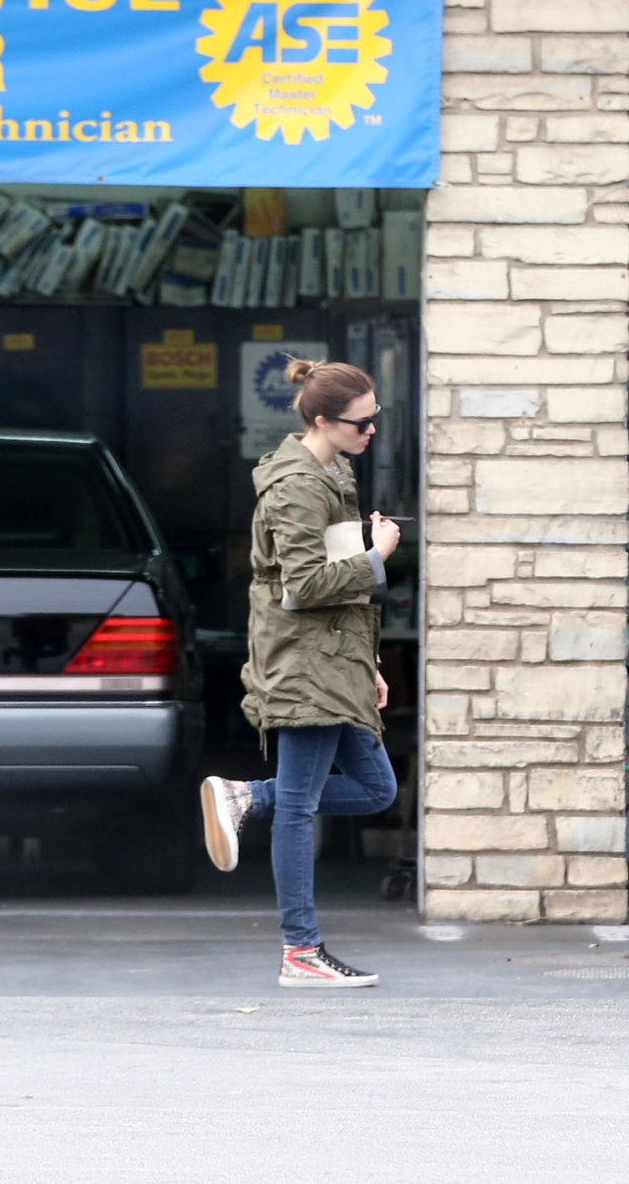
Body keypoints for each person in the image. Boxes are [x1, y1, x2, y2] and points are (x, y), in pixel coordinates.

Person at [198, 358, 401, 988]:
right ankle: (301, 952)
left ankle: (246, 795)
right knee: (299, 808)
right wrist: (378, 557)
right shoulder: (296, 486)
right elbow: (307, 585)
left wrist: (365, 660)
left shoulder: (333, 471)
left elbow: (329, 583)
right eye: (360, 423)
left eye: (376, 419)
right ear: (321, 421)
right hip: (303, 660)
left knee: (376, 790)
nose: (371, 432)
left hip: (333, 656)